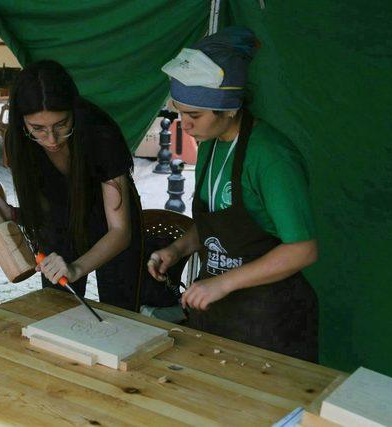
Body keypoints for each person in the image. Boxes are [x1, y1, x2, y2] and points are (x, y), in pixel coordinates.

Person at [149, 27, 319, 362]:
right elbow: (216, 221)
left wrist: (223, 283)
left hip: (270, 318)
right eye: (179, 111)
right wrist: (177, 248)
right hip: (216, 312)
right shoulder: (210, 147)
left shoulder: (271, 157)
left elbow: (302, 250)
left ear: (228, 108)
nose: (183, 123)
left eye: (193, 115)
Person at [0, 60, 142, 311]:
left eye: (61, 124)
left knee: (122, 314)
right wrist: (8, 214)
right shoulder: (19, 141)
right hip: (61, 230)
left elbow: (120, 231)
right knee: (57, 311)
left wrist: (76, 268)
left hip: (111, 231)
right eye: (37, 129)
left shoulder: (99, 134)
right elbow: (44, 212)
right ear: (22, 121)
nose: (51, 140)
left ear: (74, 111)